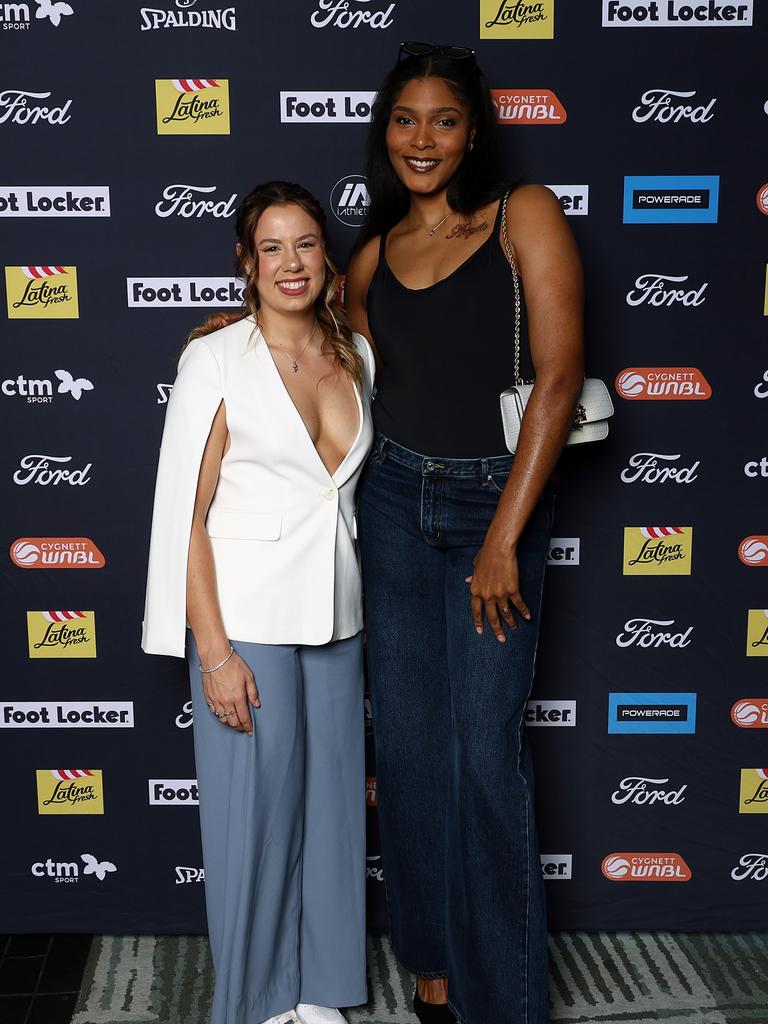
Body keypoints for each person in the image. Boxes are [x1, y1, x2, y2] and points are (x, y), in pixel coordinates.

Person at [345, 43, 584, 1024]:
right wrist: (228, 325)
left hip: (499, 505)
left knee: (485, 759)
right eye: (406, 119)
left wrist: (502, 540)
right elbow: (319, 346)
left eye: (444, 119)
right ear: (386, 131)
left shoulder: (521, 213)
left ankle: (507, 1003)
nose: (423, 138)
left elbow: (560, 378)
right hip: (396, 504)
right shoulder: (370, 254)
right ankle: (436, 970)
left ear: (473, 130)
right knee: (406, 752)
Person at [142, 181, 376, 1024]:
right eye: (271, 247)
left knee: (333, 814)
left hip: (339, 619)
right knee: (255, 825)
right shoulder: (214, 359)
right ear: (246, 261)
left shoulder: (356, 352)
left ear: (327, 256)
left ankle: (321, 991)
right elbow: (187, 515)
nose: (291, 263)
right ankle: (257, 1002)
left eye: (306, 244)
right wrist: (216, 652)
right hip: (247, 623)